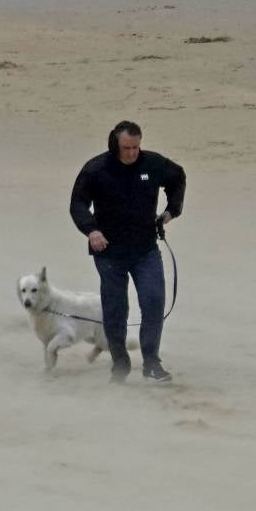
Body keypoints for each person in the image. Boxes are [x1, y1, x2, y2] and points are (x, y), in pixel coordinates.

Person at [70, 121, 186, 384]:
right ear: (115, 143)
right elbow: (77, 203)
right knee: (115, 310)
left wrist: (171, 211)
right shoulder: (96, 169)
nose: (132, 153)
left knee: (154, 301)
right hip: (109, 253)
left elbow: (178, 177)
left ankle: (152, 363)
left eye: (136, 147)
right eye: (126, 147)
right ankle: (120, 363)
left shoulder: (152, 164)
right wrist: (91, 231)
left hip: (145, 249)